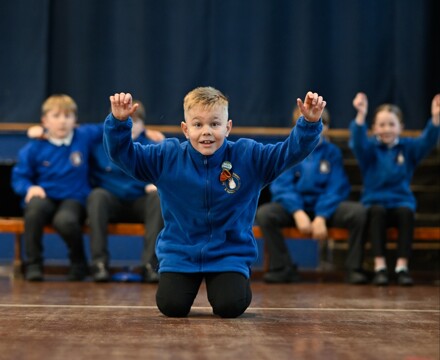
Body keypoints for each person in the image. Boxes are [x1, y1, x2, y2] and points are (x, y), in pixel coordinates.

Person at [103, 87, 325, 318]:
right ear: (185, 129)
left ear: (227, 127)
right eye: (198, 125)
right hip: (181, 253)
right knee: (171, 306)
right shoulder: (166, 157)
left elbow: (288, 153)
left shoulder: (248, 156)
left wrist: (308, 124)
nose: (206, 132)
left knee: (231, 306)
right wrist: (118, 123)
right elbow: (123, 156)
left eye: (215, 124)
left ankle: (232, 285)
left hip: (228, 254)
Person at [256, 107, 368, 285]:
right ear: (296, 127)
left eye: (318, 123)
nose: (311, 128)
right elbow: (281, 185)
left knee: (358, 213)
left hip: (324, 210)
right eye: (304, 123)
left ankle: (354, 268)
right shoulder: (289, 151)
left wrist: (322, 216)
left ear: (327, 128)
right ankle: (282, 267)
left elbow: (337, 187)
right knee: (265, 214)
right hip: (296, 210)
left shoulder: (332, 153)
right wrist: (297, 211)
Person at [350, 92, 440, 286]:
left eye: (391, 124)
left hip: (400, 201)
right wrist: (361, 114)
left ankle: (401, 267)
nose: (386, 129)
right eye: (381, 125)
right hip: (375, 202)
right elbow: (357, 142)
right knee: (377, 213)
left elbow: (427, 142)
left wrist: (435, 118)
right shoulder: (369, 150)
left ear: (401, 127)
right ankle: (380, 267)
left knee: (406, 213)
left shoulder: (408, 149)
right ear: (374, 128)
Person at [11, 94, 103, 281]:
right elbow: (19, 176)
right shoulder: (34, 147)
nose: (62, 121)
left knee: (66, 221)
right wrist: (29, 188)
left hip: (74, 197)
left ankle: (78, 263)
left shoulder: (83, 136)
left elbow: (110, 127)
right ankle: (34, 264)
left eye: (68, 116)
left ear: (75, 120)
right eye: (56, 116)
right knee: (34, 210)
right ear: (45, 120)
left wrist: (143, 133)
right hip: (46, 196)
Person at [87, 100, 165, 282]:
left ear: (143, 125)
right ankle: (99, 264)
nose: (131, 126)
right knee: (96, 196)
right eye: (126, 120)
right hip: (111, 200)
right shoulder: (101, 146)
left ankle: (150, 266)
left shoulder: (154, 146)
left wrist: (156, 183)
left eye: (135, 121)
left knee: (159, 197)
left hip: (141, 201)